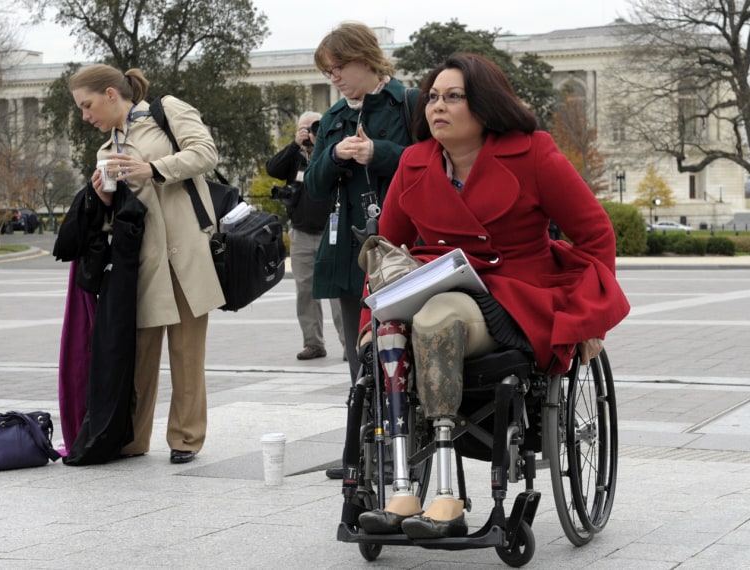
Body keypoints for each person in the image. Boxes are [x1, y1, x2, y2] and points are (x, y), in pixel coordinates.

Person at [356, 54, 630, 539]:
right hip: (431, 284)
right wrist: (368, 322)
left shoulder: (534, 154)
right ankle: (401, 486)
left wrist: (591, 323)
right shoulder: (414, 161)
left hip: (511, 297)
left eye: (453, 97)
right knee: (390, 327)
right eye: (433, 97)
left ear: (484, 105)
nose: (437, 106)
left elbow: (595, 234)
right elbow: (386, 255)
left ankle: (446, 498)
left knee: (437, 318)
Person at [68, 64, 224, 464]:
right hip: (138, 265)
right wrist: (101, 200)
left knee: (187, 354)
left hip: (186, 253)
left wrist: (154, 169)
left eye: (87, 106)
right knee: (138, 356)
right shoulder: (106, 153)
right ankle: (132, 439)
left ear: (110, 94)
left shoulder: (166, 111)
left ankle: (186, 439)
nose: (86, 117)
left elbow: (205, 152)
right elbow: (112, 222)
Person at [304, 22, 418, 383]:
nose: (333, 76)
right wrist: (335, 156)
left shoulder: (409, 103)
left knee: (410, 351)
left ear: (366, 59)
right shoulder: (333, 119)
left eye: (339, 66)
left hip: (405, 246)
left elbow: (432, 164)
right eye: (328, 70)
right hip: (350, 250)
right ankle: (367, 434)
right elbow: (314, 187)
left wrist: (378, 152)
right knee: (362, 362)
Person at [266, 111, 345, 361]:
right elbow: (272, 168)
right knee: (305, 291)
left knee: (337, 292)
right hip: (301, 232)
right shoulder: (295, 158)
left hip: (330, 233)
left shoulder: (330, 152)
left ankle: (350, 344)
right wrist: (294, 145)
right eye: (304, 128)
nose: (309, 132)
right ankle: (313, 343)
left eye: (313, 127)